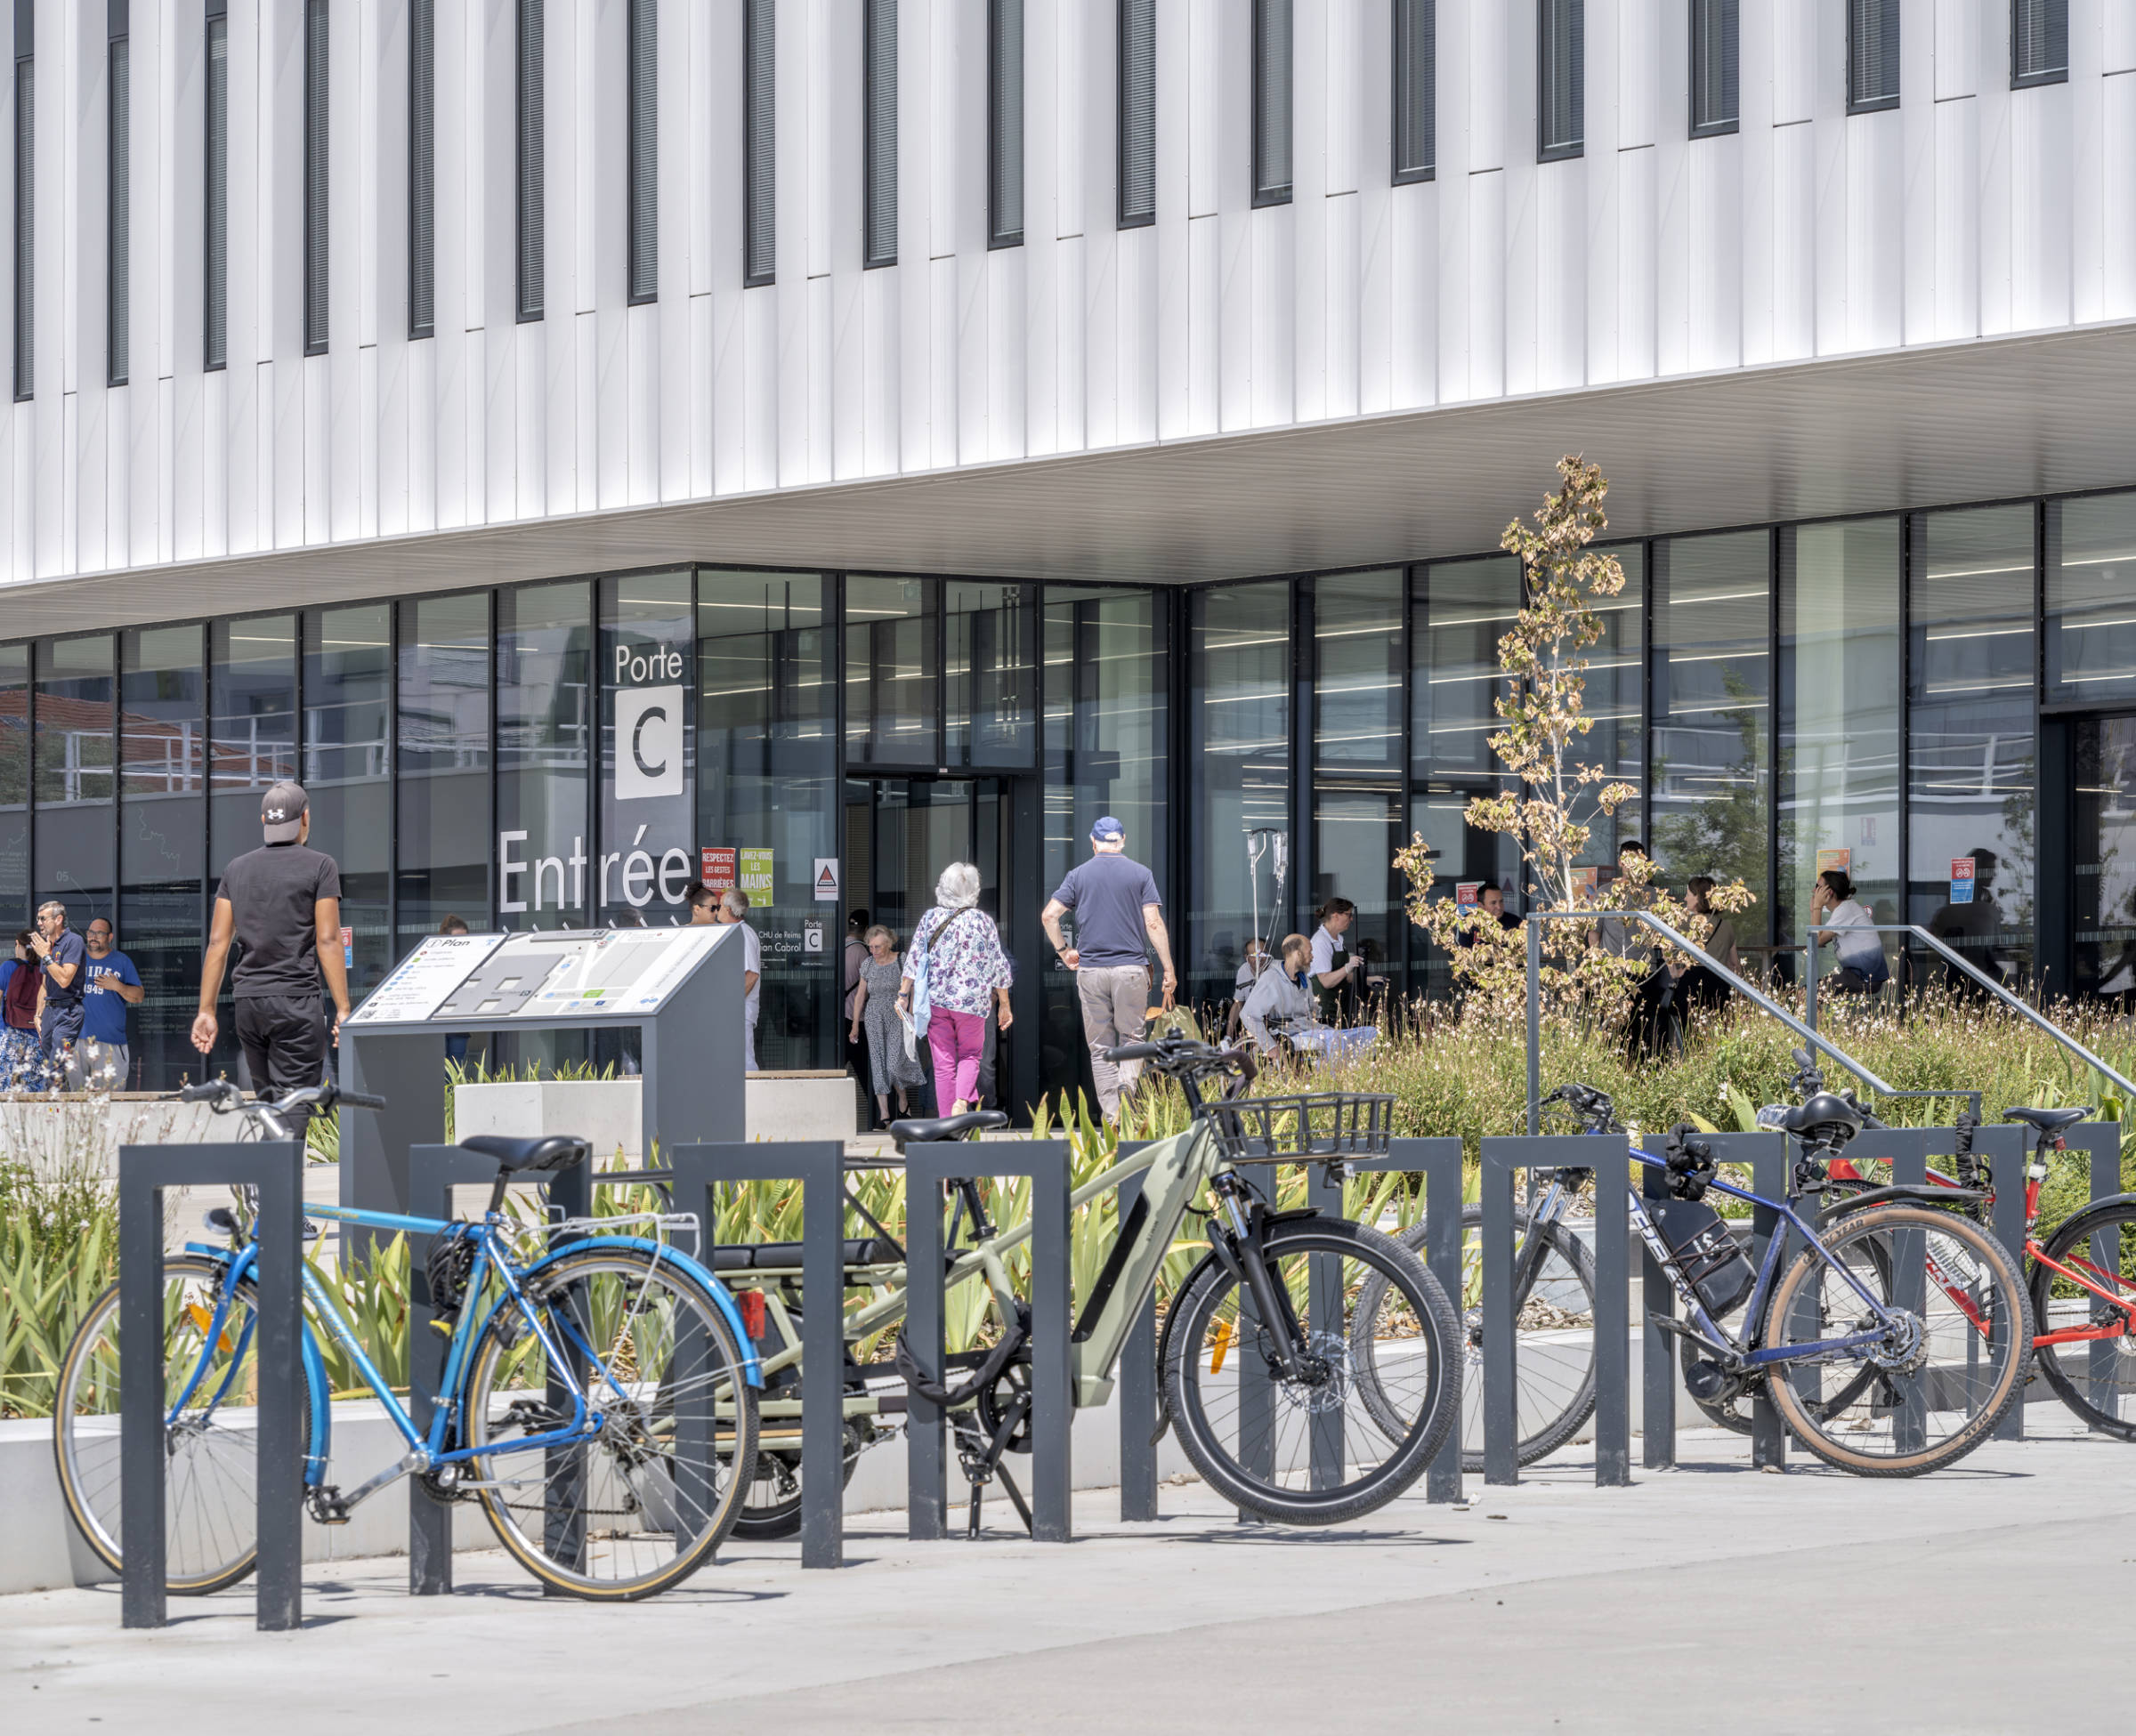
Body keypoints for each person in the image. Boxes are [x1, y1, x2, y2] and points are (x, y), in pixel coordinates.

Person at [190, 781, 352, 1149]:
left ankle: (267, 1196)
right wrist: (343, 1009)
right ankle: (268, 1196)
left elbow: (218, 943)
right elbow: (327, 940)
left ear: (264, 820)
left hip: (250, 1005)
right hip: (296, 1002)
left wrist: (206, 1011)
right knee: (293, 1109)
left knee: (269, 1106)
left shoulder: (236, 869)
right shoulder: (321, 866)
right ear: (305, 818)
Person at [1041, 816, 1177, 1121]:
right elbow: (1153, 923)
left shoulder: (1078, 876)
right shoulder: (1141, 874)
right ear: (1123, 841)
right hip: (1131, 969)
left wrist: (1064, 951)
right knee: (1133, 1038)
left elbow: (1049, 916)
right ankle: (1127, 1086)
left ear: (1093, 842)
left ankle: (1113, 1116)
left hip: (1091, 971)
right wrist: (1168, 968)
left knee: (1101, 1045)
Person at [900, 862, 1014, 1118]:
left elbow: (914, 958)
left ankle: (947, 1120)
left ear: (943, 888)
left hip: (937, 1003)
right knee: (971, 1055)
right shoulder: (983, 921)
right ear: (974, 890)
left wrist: (903, 994)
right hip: (972, 1003)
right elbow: (998, 965)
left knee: (943, 1065)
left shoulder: (930, 918)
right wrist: (1005, 1005)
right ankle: (962, 1100)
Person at [1240, 933, 1375, 1063]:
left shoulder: (1305, 980)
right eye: (1309, 952)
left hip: (1310, 1028)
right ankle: (1334, 1081)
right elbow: (1248, 1014)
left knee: (1369, 1033)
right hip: (1287, 1033)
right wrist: (1269, 1046)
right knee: (1334, 1039)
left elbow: (1314, 1011)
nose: (1312, 957)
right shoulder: (1271, 978)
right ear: (1297, 954)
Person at [848, 924, 924, 1127]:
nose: (874, 951)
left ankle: (903, 1101)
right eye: (871, 947)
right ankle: (884, 1115)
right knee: (878, 1064)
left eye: (878, 947)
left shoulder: (901, 959)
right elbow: (860, 996)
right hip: (873, 1017)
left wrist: (909, 1013)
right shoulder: (868, 964)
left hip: (897, 1016)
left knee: (893, 1063)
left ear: (888, 944)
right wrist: (855, 1025)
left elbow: (912, 987)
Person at [77, 916, 143, 1090]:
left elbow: (139, 996)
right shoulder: (75, 958)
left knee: (110, 1101)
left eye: (99, 933)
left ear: (110, 937)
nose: (93, 937)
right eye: (91, 932)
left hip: (110, 1044)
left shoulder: (121, 961)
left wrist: (118, 986)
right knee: (75, 1102)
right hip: (76, 1042)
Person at [27, 900, 87, 1081]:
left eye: (43, 919)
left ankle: (52, 1107)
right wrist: (38, 1015)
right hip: (49, 1012)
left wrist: (45, 956)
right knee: (49, 1067)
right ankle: (60, 1103)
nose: (39, 923)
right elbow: (45, 985)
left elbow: (64, 979)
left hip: (68, 1012)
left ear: (58, 919)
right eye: (38, 919)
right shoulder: (47, 944)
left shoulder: (73, 941)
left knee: (56, 1067)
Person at [1811, 868, 1889, 996]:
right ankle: (1817, 1016)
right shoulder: (1842, 911)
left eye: (1817, 887)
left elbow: (1817, 940)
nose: (1814, 891)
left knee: (1809, 993)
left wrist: (1817, 907)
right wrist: (1814, 910)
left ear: (1829, 892)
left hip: (1865, 977)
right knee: (1810, 992)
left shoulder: (1846, 909)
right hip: (1855, 975)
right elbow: (1816, 941)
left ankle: (1812, 1015)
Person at [1671, 876, 1738, 1017]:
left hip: (1692, 983)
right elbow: (1734, 964)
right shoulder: (1726, 926)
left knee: (1690, 1035)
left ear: (1698, 898)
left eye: (1688, 894)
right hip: (1720, 984)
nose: (1685, 898)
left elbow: (1666, 949)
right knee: (1718, 1033)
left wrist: (1675, 972)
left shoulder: (1684, 924)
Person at [719, 888, 764, 1070]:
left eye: (719, 905)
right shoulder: (736, 932)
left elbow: (751, 974)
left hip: (740, 1010)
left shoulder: (742, 934)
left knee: (745, 1062)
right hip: (737, 1010)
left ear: (728, 910)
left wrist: (732, 1004)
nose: (716, 909)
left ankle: (753, 1096)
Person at [0, 929, 48, 1090]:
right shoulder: (44, 970)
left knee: (6, 1086)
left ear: (18, 945)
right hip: (36, 1035)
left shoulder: (8, 967)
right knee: (34, 1086)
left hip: (9, 1034)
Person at [1308, 897, 1366, 1025]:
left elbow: (1345, 977)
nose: (1351, 919)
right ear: (1335, 916)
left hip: (1339, 1009)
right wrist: (1347, 967)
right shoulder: (1321, 941)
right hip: (1323, 1012)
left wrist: (1368, 980)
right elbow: (1326, 981)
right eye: (1349, 915)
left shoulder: (1338, 940)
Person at [437, 915, 473, 1070]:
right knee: (438, 1069)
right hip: (436, 1023)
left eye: (465, 940)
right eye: (457, 940)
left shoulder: (471, 960)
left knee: (456, 1070)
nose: (462, 944)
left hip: (459, 1023)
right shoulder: (436, 959)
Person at [1456, 884, 1523, 948]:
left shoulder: (1515, 922)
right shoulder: (1469, 922)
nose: (1499, 907)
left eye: (1501, 901)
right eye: (1493, 903)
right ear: (1480, 906)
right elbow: (1464, 953)